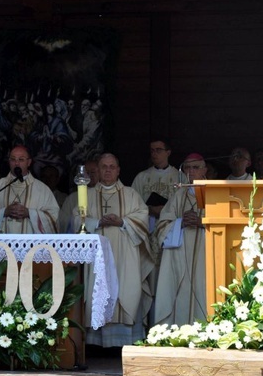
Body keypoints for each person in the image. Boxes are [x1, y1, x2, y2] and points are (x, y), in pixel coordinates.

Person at [81, 153, 153, 347]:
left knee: (125, 288)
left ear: (118, 170)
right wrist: (97, 222)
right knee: (97, 290)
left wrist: (123, 221)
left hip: (125, 253)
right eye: (104, 166)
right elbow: (77, 220)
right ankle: (96, 342)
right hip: (97, 255)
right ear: (98, 169)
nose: (108, 170)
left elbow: (143, 218)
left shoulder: (131, 194)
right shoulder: (86, 195)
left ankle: (124, 340)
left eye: (112, 167)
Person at [152, 153, 208, 326]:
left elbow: (226, 225)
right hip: (180, 255)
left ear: (205, 170)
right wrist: (179, 223)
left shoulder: (215, 193)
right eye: (187, 168)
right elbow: (162, 225)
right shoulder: (178, 196)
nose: (191, 171)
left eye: (196, 167)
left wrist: (202, 223)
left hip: (205, 255)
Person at [0, 145, 59, 233]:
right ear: (9, 162)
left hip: (31, 245)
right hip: (2, 243)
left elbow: (54, 218)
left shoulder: (42, 189)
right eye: (13, 159)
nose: (16, 163)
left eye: (21, 159)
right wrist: (3, 212)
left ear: (29, 162)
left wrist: (30, 213)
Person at [130, 140, 180, 233]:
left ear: (168, 152)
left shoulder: (179, 177)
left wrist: (165, 210)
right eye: (152, 150)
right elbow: (132, 204)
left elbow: (184, 204)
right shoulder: (142, 177)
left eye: (158, 150)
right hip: (147, 225)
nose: (154, 153)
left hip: (171, 226)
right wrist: (149, 209)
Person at [58, 157, 99, 234]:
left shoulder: (104, 195)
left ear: (100, 173)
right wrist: (77, 221)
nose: (89, 175)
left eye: (93, 172)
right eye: (87, 172)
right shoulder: (72, 198)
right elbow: (63, 220)